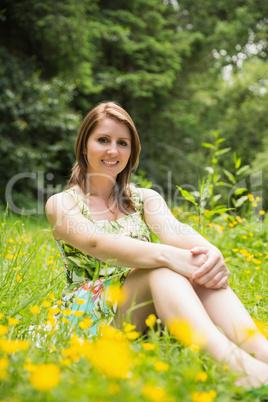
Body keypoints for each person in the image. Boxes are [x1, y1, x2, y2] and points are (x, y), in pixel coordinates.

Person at [46, 101, 268, 390]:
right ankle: (236, 368)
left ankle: (260, 352)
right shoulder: (62, 204)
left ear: (131, 152)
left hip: (150, 309)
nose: (113, 150)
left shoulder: (144, 199)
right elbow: (96, 242)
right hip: (95, 318)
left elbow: (178, 232)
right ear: (84, 146)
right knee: (161, 269)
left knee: (196, 262)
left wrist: (210, 252)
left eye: (122, 143)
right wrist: (167, 256)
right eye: (103, 140)